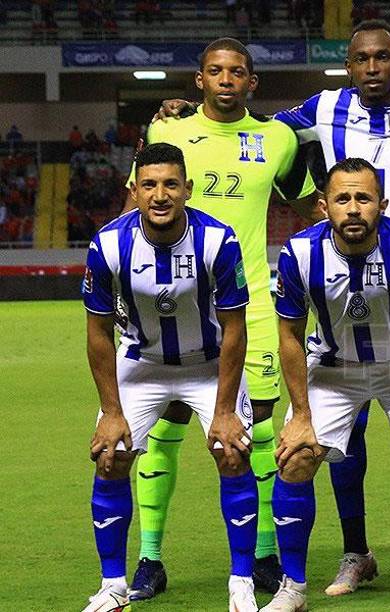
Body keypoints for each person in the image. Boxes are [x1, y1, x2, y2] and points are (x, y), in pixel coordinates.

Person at [155, 20, 390, 594]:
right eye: (362, 60)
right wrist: (188, 114)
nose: (373, 67)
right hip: (339, 291)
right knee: (342, 438)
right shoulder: (323, 107)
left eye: (384, 58)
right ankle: (355, 552)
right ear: (349, 67)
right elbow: (252, 131)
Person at [127, 38, 318, 600]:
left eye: (237, 72)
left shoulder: (277, 138)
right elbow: (134, 204)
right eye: (216, 71)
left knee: (256, 433)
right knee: (164, 428)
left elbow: (309, 203)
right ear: (199, 80)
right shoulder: (167, 133)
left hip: (254, 304)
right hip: (176, 302)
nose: (227, 80)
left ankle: (261, 555)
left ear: (252, 82)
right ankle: (150, 558)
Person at [265, 157, 390, 611]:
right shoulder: (299, 253)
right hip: (334, 371)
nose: (353, 208)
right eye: (343, 199)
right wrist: (300, 417)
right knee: (296, 457)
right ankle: (293, 588)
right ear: (323, 206)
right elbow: (290, 337)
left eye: (363, 198)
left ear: (382, 204)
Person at [81, 143, 259, 611]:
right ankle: (113, 585)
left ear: (188, 190)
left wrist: (224, 411)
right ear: (135, 190)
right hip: (142, 364)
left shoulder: (218, 240)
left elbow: (236, 328)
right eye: (150, 185)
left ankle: (241, 581)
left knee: (233, 452)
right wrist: (112, 412)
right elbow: (98, 334)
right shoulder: (108, 244)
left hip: (207, 362)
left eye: (171, 185)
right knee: (110, 456)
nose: (160, 195)